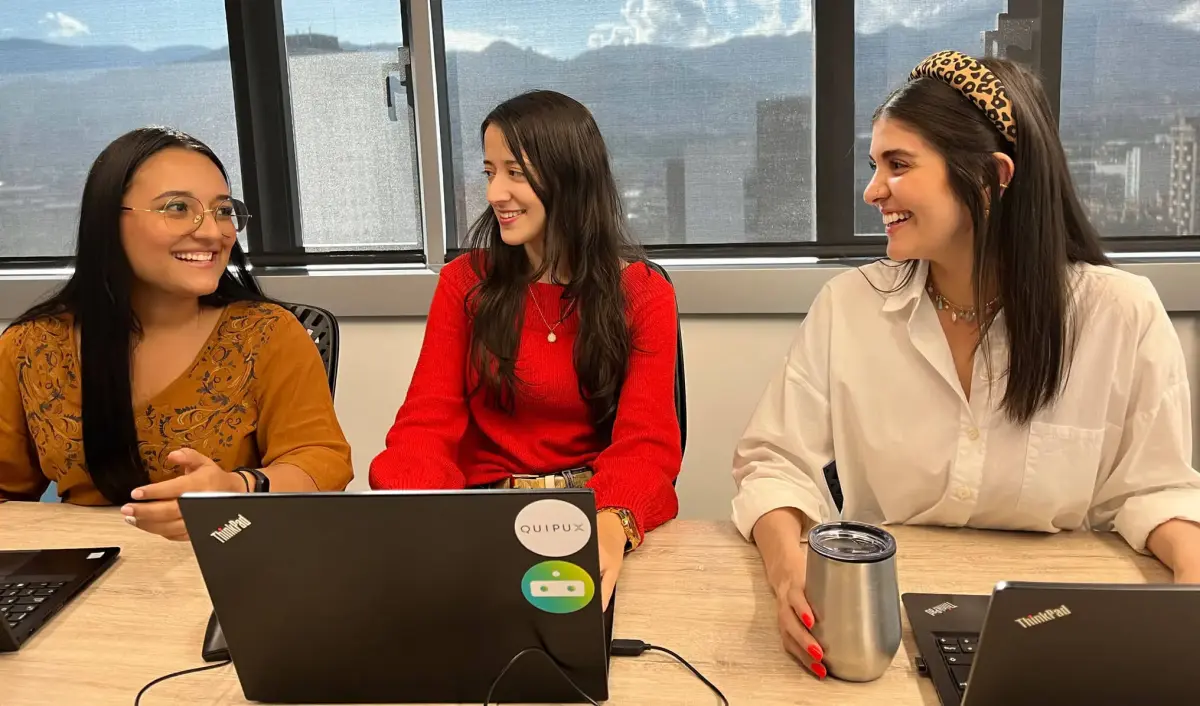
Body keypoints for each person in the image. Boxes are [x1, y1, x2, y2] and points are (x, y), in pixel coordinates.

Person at [730, 50, 1200, 680]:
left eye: (898, 165)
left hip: (1054, 627)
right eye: (874, 166)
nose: (873, 191)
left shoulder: (1121, 314)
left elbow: (1157, 489)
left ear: (991, 177)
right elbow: (774, 463)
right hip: (876, 626)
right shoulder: (850, 306)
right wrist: (790, 574)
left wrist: (1187, 598)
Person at [369, 90, 682, 609]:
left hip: (592, 511)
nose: (495, 193)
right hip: (482, 513)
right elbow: (425, 425)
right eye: (490, 172)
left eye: (515, 172)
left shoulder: (644, 294)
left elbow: (646, 444)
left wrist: (612, 521)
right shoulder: (464, 283)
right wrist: (420, 509)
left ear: (570, 176)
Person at [0, 126, 353, 540]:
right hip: (88, 563)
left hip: (225, 553)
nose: (212, 232)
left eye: (223, 210)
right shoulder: (31, 346)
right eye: (178, 208)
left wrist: (237, 488)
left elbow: (321, 462)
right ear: (108, 221)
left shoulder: (266, 333)